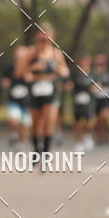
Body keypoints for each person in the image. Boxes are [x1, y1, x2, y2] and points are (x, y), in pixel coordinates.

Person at [26, 23, 69, 156]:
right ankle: (36, 150)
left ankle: (45, 152)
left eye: (46, 37)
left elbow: (65, 71)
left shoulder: (56, 54)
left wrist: (59, 70)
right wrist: (33, 69)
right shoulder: (31, 53)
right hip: (35, 89)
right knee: (35, 124)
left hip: (52, 89)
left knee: (49, 120)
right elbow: (20, 72)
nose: (44, 40)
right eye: (41, 38)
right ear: (36, 37)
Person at [1, 45, 32, 146]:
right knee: (14, 120)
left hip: (26, 102)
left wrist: (29, 77)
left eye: (22, 56)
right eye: (18, 55)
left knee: (24, 124)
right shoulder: (10, 68)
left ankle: (21, 143)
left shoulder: (29, 68)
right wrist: (6, 83)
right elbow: (4, 82)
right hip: (13, 100)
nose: (19, 58)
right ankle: (13, 133)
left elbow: (33, 80)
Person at [69, 54, 96, 152]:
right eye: (82, 61)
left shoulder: (92, 74)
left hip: (89, 102)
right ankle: (78, 143)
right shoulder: (75, 74)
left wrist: (95, 88)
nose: (84, 64)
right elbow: (70, 84)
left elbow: (97, 85)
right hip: (77, 101)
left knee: (89, 122)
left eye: (86, 62)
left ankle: (88, 136)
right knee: (77, 124)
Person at [92, 54, 109, 145]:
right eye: (97, 63)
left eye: (101, 63)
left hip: (106, 98)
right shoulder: (93, 73)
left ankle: (105, 134)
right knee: (98, 120)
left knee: (104, 117)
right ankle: (99, 136)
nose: (99, 65)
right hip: (96, 99)